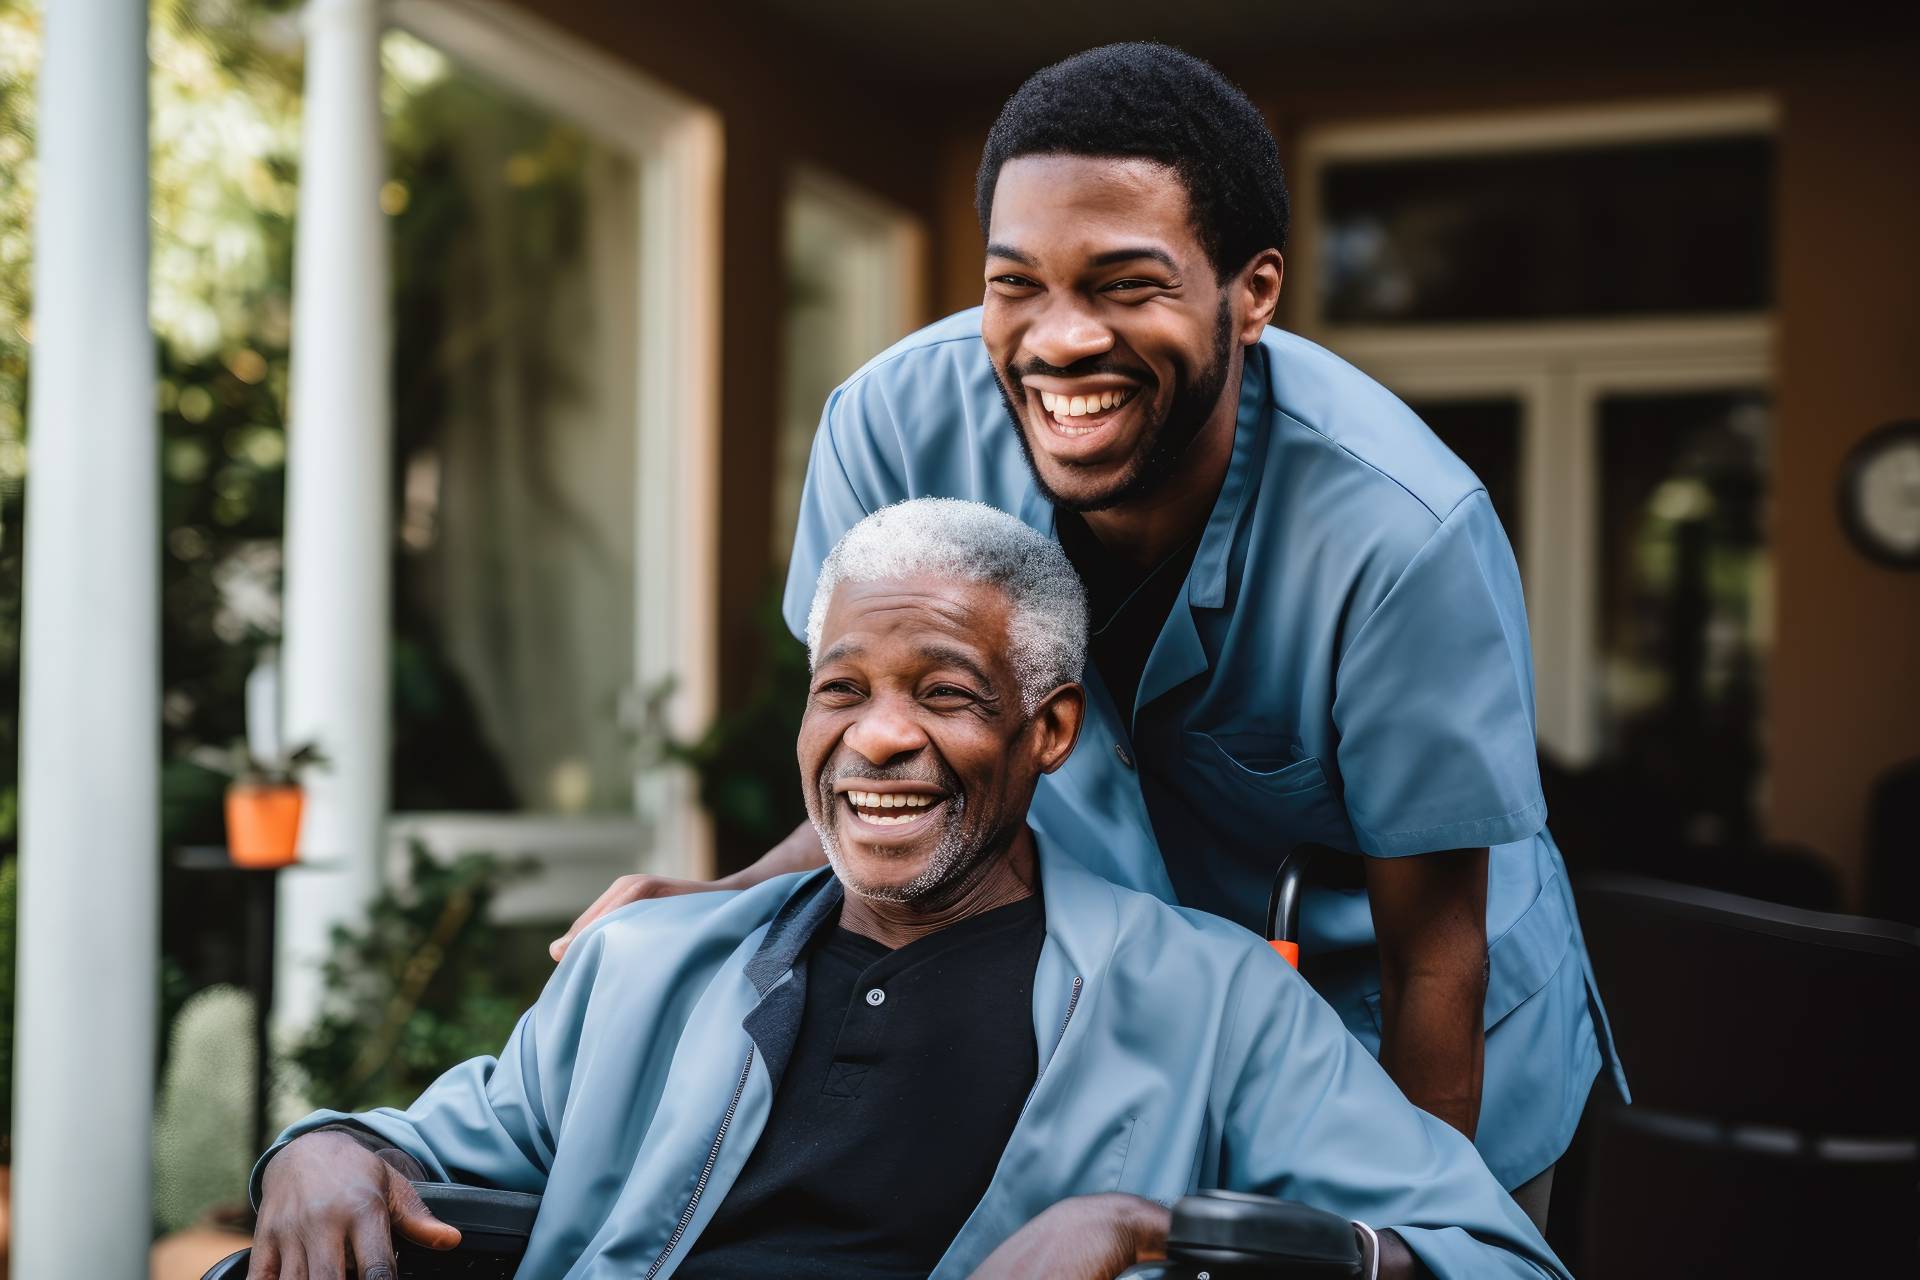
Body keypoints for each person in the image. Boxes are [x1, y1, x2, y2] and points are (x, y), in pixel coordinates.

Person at [552, 44, 1625, 1218]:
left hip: (1400, 1027)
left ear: (1252, 293)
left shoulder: (1401, 536)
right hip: (1136, 1031)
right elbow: (890, 752)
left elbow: (1436, 952)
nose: (1060, 339)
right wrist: (722, 900)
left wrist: (1411, 1229)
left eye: (1126, 283)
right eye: (1016, 283)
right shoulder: (891, 431)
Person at [250, 501, 1568, 1280]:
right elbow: (421, 1145)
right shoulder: (644, 969)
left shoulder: (1212, 1001)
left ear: (1048, 733)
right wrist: (320, 1148)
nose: (878, 738)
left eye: (943, 694)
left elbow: (1488, 1257)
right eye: (843, 692)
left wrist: (1154, 1232)